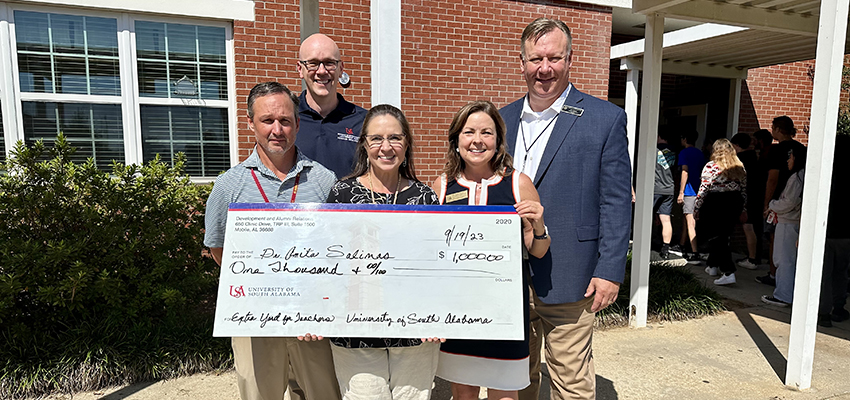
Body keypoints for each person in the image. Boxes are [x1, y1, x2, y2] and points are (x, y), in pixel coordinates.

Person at [499, 18, 632, 400]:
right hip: (507, 277)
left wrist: (610, 270)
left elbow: (616, 200)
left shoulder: (605, 119)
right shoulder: (500, 121)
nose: (544, 68)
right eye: (535, 58)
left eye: (554, 57)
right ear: (521, 61)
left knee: (572, 384)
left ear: (570, 58)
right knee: (515, 379)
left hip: (572, 275)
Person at [204, 82, 340, 400]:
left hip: (312, 318)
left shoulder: (324, 180)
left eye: (285, 121)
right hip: (255, 317)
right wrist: (260, 283)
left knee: (324, 394)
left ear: (297, 123)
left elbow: (337, 245)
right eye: (267, 120)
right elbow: (218, 248)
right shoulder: (228, 185)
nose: (277, 129)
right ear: (250, 123)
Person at [432, 101, 550, 400]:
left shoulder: (517, 183)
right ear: (456, 140)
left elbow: (537, 251)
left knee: (506, 396)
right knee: (463, 393)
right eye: (469, 131)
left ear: (498, 141)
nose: (477, 140)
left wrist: (538, 226)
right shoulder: (442, 186)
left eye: (487, 132)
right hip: (457, 313)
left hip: (504, 314)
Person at [325, 104, 442, 400]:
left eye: (395, 138)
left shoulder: (425, 196)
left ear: (407, 144)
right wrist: (317, 313)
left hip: (414, 331)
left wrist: (439, 316)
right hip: (356, 331)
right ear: (364, 144)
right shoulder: (342, 195)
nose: (386, 147)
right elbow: (326, 262)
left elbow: (437, 267)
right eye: (376, 138)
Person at [296, 33, 368, 178]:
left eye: (329, 63)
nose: (322, 71)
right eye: (313, 63)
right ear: (300, 69)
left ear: (341, 68)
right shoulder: (286, 120)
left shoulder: (364, 122)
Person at [756, 116, 807, 286]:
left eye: (773, 127)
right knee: (793, 247)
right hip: (799, 203)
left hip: (781, 202)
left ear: (778, 129)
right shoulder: (802, 148)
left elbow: (772, 178)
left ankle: (775, 275)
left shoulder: (776, 150)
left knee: (775, 241)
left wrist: (767, 204)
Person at [694, 139, 747, 286]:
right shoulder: (739, 167)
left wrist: (697, 208)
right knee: (723, 235)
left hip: (715, 202)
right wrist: (743, 209)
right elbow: (743, 190)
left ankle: (728, 271)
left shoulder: (711, 166)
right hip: (734, 202)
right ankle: (712, 265)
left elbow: (703, 189)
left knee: (716, 237)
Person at [761, 146, 806, 307]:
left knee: (783, 260)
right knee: (787, 259)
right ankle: (787, 294)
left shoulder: (797, 178)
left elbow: (790, 202)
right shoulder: (802, 177)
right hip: (790, 222)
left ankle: (783, 296)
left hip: (788, 222)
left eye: (791, 157)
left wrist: (772, 204)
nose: (788, 160)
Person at [819, 134, 850, 327]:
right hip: (846, 232)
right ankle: (838, 308)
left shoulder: (826, 172)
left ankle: (823, 313)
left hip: (825, 228)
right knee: (841, 272)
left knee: (824, 274)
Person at [731, 132, 764, 270]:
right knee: (755, 228)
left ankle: (752, 259)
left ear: (737, 145)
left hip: (747, 197)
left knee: (748, 226)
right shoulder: (755, 157)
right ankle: (756, 256)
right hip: (757, 197)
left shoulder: (739, 160)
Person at [675, 129, 705, 263]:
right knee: (686, 218)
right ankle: (682, 244)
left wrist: (681, 192)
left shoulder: (684, 153)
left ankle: (694, 252)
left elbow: (684, 171)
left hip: (689, 192)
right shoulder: (700, 153)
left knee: (690, 221)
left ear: (685, 139)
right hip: (700, 191)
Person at [655, 130, 677, 259]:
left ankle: (645, 243)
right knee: (666, 219)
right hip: (669, 187)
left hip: (655, 188)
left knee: (646, 218)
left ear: (659, 136)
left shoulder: (654, 149)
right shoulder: (674, 151)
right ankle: (665, 249)